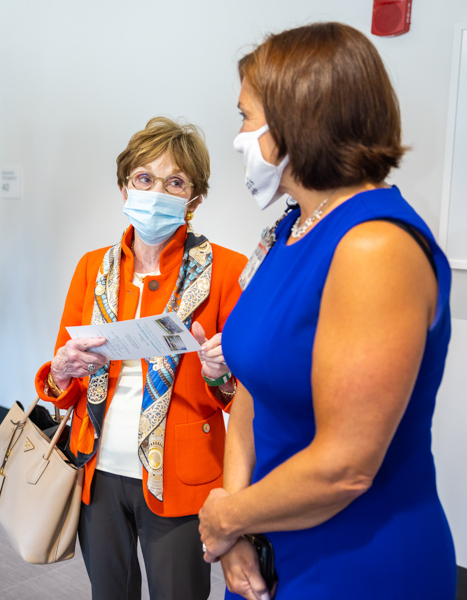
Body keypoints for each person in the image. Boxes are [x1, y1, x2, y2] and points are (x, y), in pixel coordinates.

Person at [198, 22, 456, 600]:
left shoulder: (375, 247)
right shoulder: (291, 229)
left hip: (359, 560)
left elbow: (345, 467)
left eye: (246, 117)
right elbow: (252, 384)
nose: (238, 136)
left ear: (294, 123)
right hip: (270, 538)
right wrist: (234, 521)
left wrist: (226, 517)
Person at [35, 117, 247, 599]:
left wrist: (221, 374)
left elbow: (242, 395)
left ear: (194, 198)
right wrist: (63, 368)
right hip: (97, 469)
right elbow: (60, 384)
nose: (157, 191)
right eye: (144, 179)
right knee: (110, 593)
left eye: (175, 181)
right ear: (124, 185)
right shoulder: (93, 267)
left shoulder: (227, 271)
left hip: (181, 476)